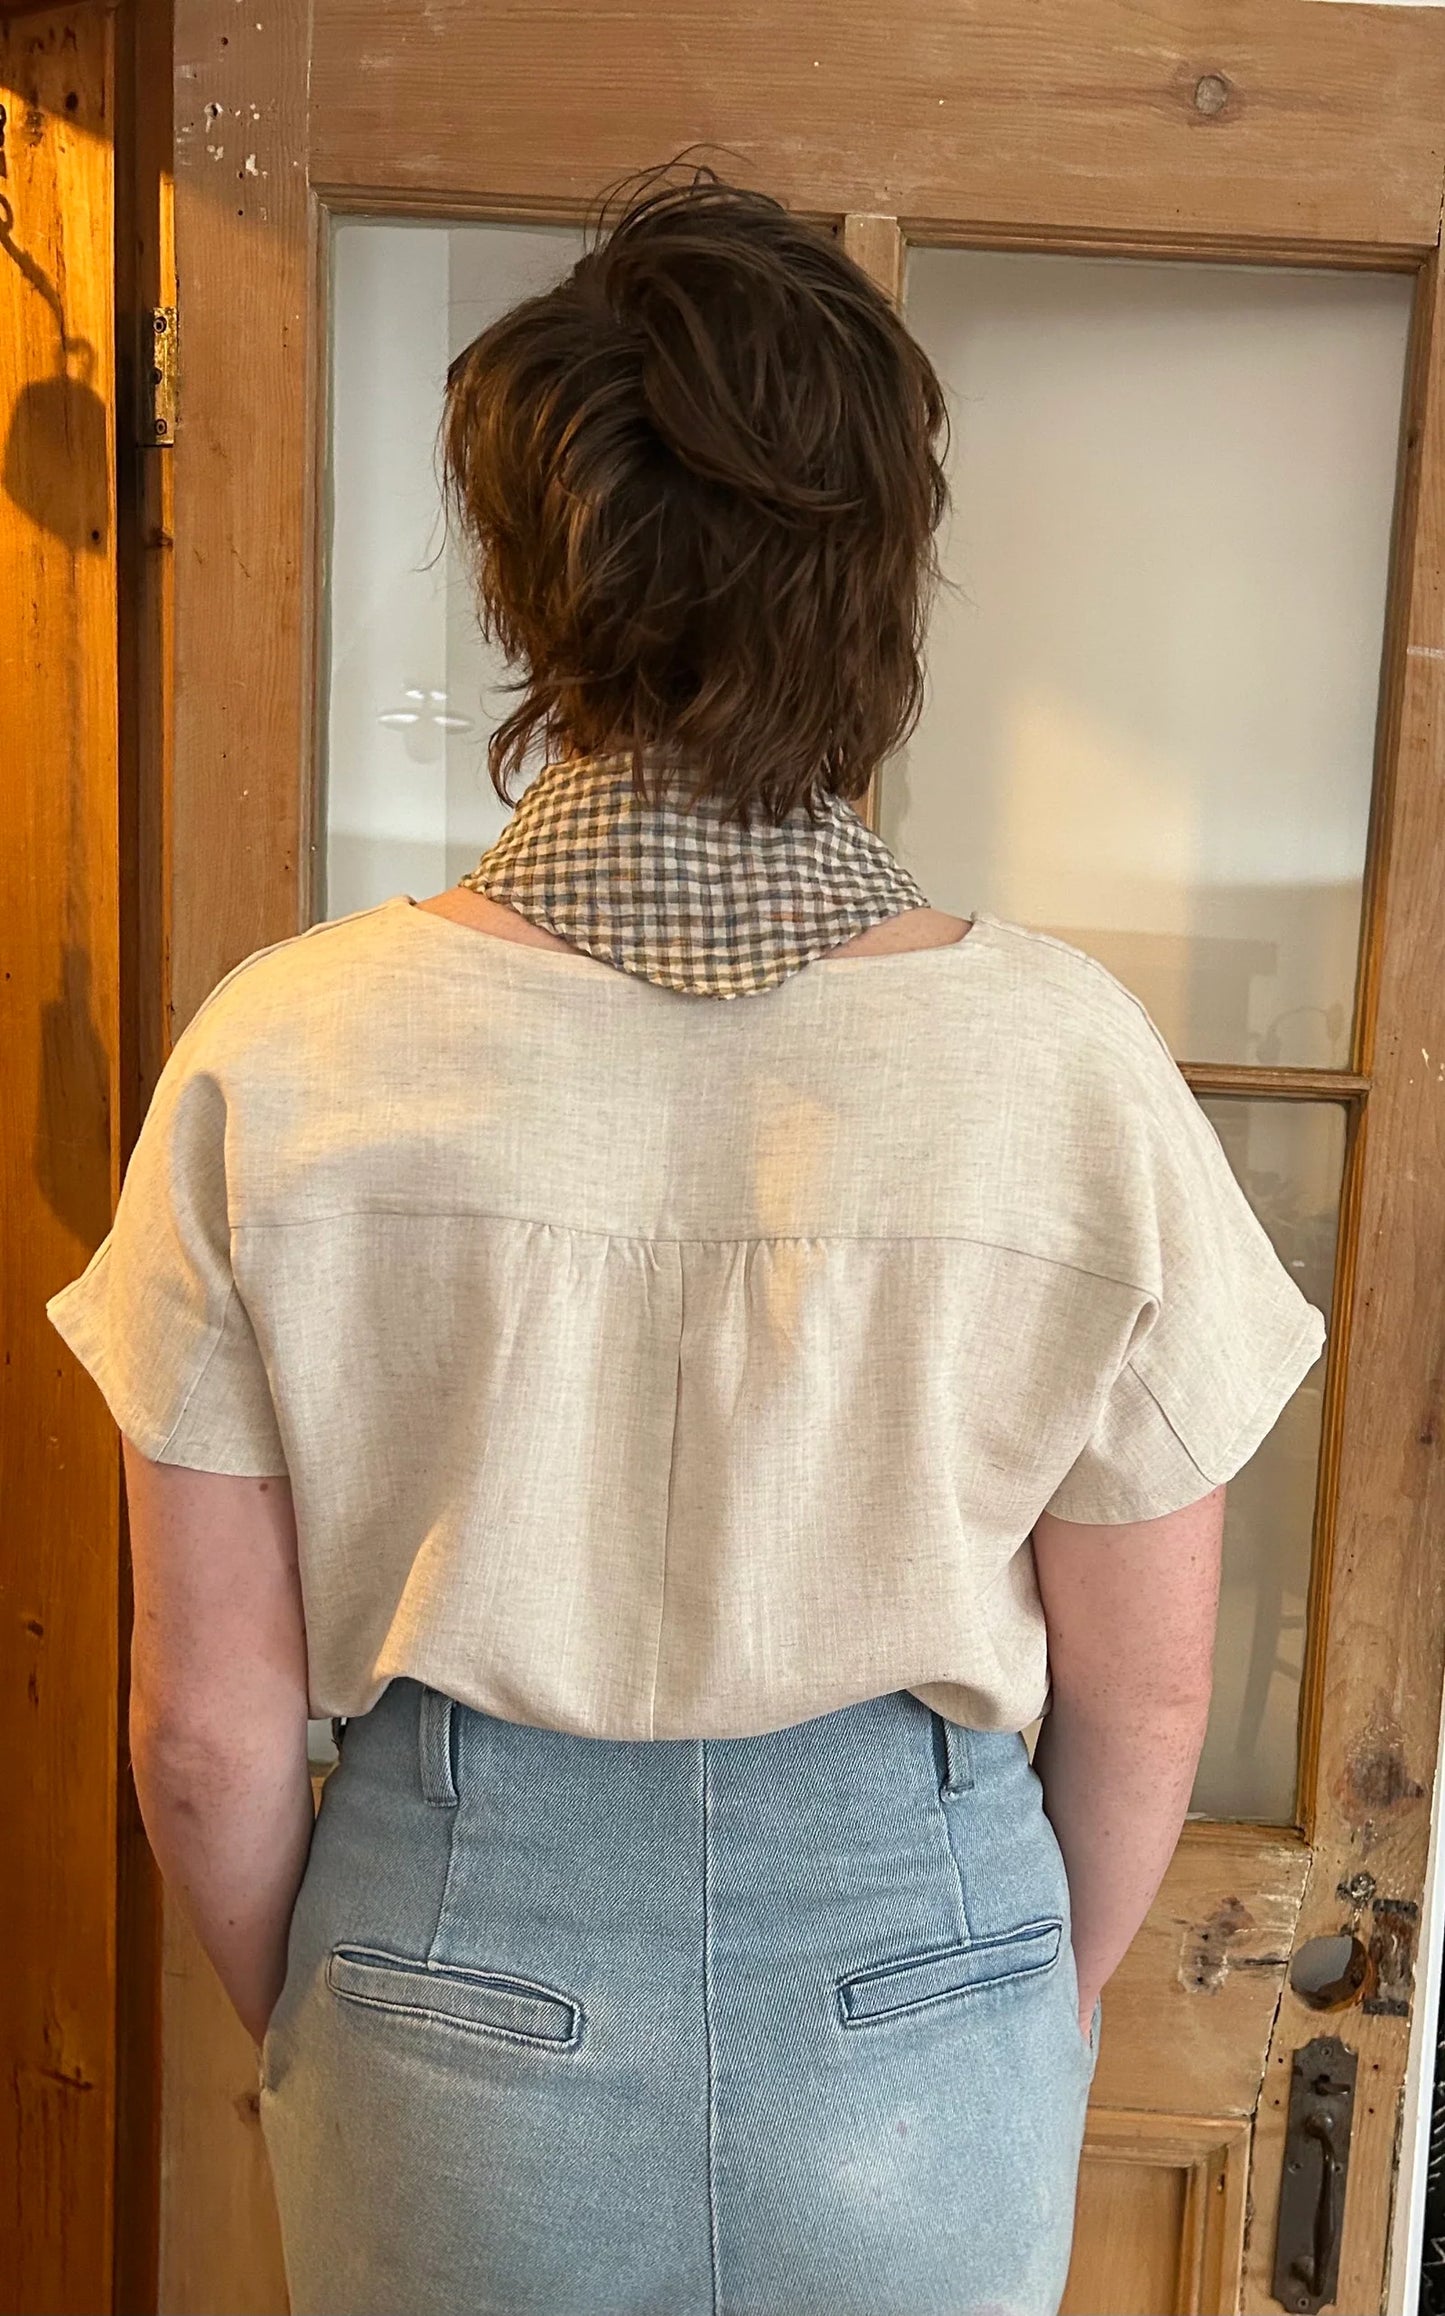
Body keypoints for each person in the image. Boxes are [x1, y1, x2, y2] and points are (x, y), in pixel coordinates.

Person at [46, 165, 1326, 2316]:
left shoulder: (286, 1056)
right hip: (921, 1954)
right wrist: (1015, 2000)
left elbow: (203, 1732)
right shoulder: (1065, 1067)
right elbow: (1149, 1687)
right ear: (879, 587)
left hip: (454, 1938)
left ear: (531, 569)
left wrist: (345, 2010)